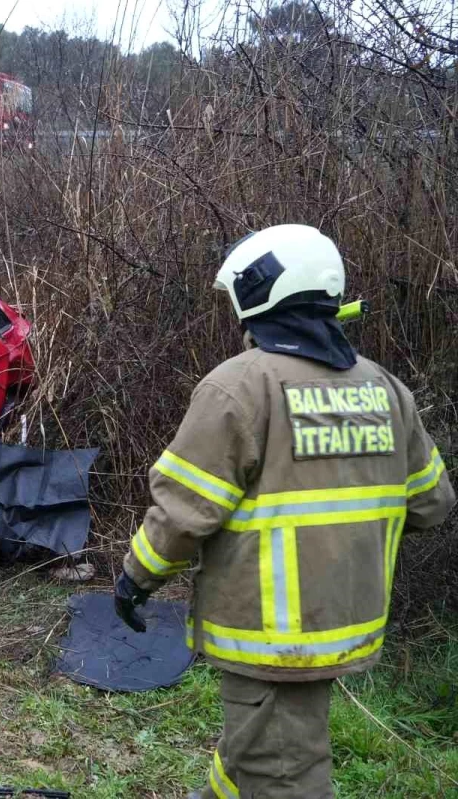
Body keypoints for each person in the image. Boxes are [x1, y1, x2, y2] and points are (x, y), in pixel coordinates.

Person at [113, 224, 454, 799]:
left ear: (259, 295)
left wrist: (135, 577)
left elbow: (183, 513)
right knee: (257, 745)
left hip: (269, 631)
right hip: (347, 620)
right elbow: (432, 503)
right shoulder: (385, 389)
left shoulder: (240, 388)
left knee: (282, 775)